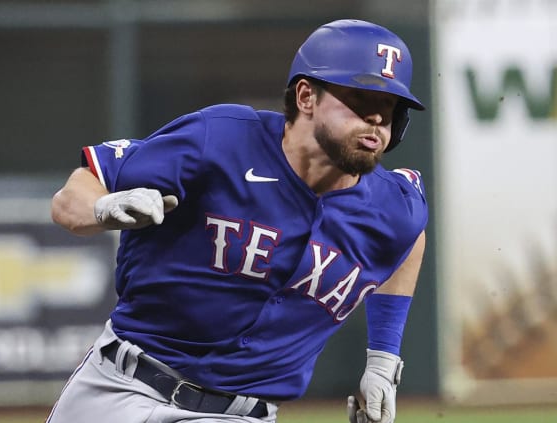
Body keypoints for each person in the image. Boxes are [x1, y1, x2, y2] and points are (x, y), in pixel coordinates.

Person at [46, 18, 427, 423]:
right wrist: (102, 208)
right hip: (117, 389)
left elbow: (409, 238)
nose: (376, 119)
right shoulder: (221, 139)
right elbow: (75, 194)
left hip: (238, 415)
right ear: (306, 97)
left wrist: (383, 361)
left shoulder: (392, 206)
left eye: (389, 108)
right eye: (361, 100)